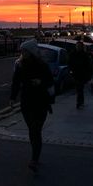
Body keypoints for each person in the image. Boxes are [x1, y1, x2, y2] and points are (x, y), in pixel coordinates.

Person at [10, 40, 55, 173]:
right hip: (27, 102)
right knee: (32, 130)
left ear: (31, 52)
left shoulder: (42, 66)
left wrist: (40, 82)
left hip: (41, 101)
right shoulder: (20, 66)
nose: (22, 53)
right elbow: (16, 82)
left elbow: (50, 82)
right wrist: (12, 97)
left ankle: (34, 159)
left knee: (35, 130)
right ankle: (35, 154)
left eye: (24, 51)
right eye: (21, 51)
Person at [69, 40, 93, 109]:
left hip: (82, 74)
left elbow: (88, 65)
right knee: (79, 89)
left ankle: (79, 102)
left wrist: (88, 75)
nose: (78, 47)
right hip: (75, 74)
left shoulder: (84, 55)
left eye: (79, 46)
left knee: (80, 89)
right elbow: (69, 63)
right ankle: (80, 102)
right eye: (77, 46)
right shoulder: (73, 54)